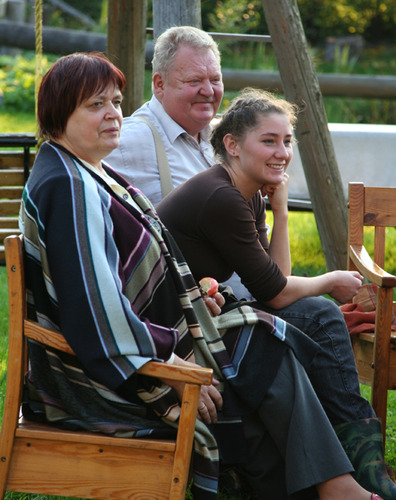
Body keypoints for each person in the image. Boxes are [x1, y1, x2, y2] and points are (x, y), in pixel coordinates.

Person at [19, 53, 381, 500]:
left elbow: (117, 283)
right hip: (98, 378)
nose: (113, 114)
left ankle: (334, 485)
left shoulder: (86, 173)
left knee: (260, 351)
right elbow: (91, 306)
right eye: (95, 105)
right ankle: (342, 486)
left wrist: (190, 298)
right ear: (59, 114)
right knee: (261, 349)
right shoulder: (68, 185)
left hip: (139, 340)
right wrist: (165, 364)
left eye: (115, 101)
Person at [157, 88, 396, 500]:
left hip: (204, 314)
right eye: (268, 140)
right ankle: (361, 470)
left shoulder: (244, 194)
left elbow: (274, 282)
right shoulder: (221, 196)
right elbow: (278, 293)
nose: (282, 151)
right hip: (175, 332)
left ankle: (355, 470)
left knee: (318, 315)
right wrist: (330, 279)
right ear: (231, 145)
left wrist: (280, 208)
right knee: (320, 312)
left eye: (287, 140)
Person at [105, 25, 223, 208]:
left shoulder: (224, 139)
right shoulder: (129, 140)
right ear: (160, 84)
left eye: (215, 79)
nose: (208, 91)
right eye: (195, 80)